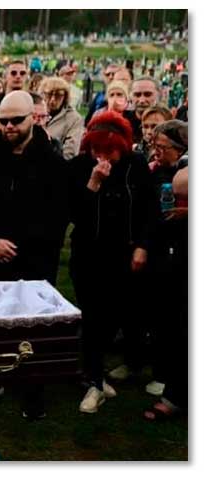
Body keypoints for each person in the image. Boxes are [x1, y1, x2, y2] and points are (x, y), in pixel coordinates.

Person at [0, 92, 69, 419]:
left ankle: (32, 389)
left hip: (35, 260)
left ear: (33, 118)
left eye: (16, 120)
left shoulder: (52, 162)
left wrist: (19, 244)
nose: (9, 126)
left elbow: (57, 216)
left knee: (33, 325)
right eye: (4, 120)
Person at [68, 111, 158, 414]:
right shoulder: (80, 167)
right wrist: (93, 183)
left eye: (109, 150)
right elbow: (73, 215)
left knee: (114, 316)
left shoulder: (136, 166)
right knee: (93, 317)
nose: (102, 156)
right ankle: (94, 381)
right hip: (89, 255)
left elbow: (150, 210)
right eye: (96, 149)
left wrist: (142, 245)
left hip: (125, 254)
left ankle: (93, 372)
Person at [142, 123, 187, 421]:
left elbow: (183, 185)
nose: (157, 152)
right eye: (155, 146)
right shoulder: (158, 171)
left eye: (163, 147)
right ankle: (176, 394)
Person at [39, 77, 85, 160]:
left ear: (65, 97)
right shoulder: (35, 113)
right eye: (49, 94)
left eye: (58, 96)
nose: (52, 100)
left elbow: (71, 152)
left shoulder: (74, 119)